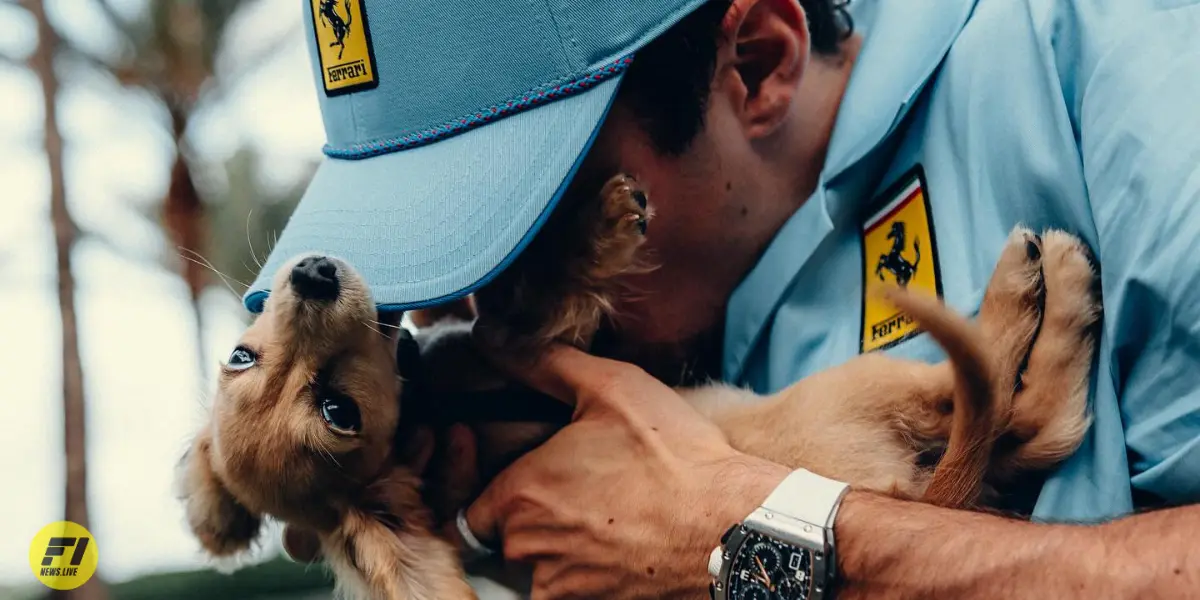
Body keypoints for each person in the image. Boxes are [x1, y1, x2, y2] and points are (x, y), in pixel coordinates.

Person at [249, 0, 1200, 597]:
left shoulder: (1112, 61)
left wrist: (742, 539)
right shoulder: (664, 352)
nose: (458, 315)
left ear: (757, 60)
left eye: (530, 221)